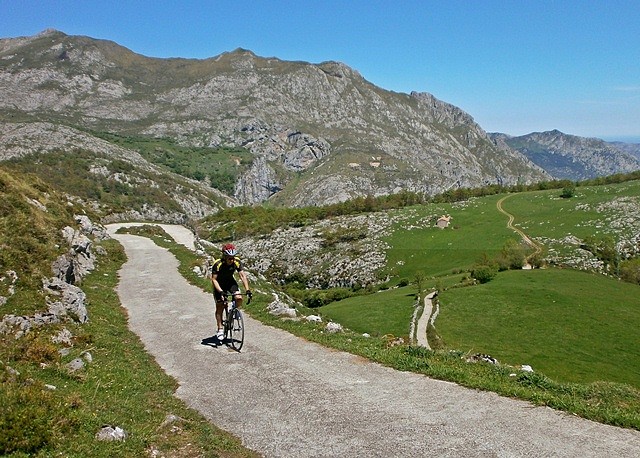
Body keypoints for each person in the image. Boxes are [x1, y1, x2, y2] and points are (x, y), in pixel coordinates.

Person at [210, 243, 251, 340]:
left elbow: (242, 275)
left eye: (232, 257)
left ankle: (234, 309)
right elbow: (214, 280)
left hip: (230, 282)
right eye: (229, 258)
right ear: (224, 256)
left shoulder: (236, 262)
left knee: (239, 298)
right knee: (220, 306)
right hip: (219, 284)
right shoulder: (218, 264)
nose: (231, 260)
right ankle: (220, 328)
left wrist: (248, 290)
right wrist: (220, 291)